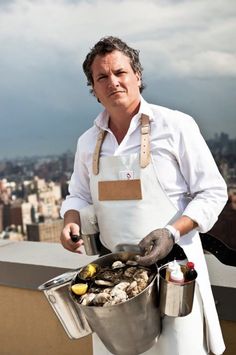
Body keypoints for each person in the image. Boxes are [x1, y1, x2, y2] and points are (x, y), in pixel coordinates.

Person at [60, 36, 228, 355]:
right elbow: (78, 196)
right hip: (116, 282)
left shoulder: (175, 126)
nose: (113, 82)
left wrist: (171, 232)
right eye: (102, 77)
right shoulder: (87, 142)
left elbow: (212, 192)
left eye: (120, 72)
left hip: (174, 273)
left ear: (137, 75)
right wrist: (71, 219)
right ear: (93, 89)